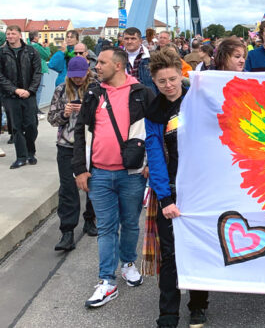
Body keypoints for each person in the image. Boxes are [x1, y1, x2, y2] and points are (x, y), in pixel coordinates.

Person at [73, 47, 154, 307]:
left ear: (118, 66)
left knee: (130, 223)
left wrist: (151, 163)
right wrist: (80, 169)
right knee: (106, 227)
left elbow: (154, 131)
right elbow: (80, 132)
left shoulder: (142, 93)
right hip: (98, 173)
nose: (97, 67)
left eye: (102, 63)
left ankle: (128, 262)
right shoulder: (94, 93)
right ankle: (106, 280)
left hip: (131, 174)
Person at [145, 47, 210, 327]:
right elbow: (155, 155)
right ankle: (168, 314)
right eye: (162, 81)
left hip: (202, 189)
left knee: (198, 249)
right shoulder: (154, 112)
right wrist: (165, 198)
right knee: (170, 255)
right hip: (171, 190)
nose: (169, 86)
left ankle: (198, 305)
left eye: (172, 79)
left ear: (180, 75)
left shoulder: (199, 100)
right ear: (154, 82)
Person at [47, 56, 97, 251]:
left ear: (87, 72)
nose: (78, 79)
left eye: (81, 76)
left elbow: (105, 117)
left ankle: (90, 219)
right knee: (68, 189)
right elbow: (52, 119)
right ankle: (67, 232)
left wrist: (85, 108)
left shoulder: (96, 88)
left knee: (93, 184)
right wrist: (65, 114)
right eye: (74, 76)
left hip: (91, 144)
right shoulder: (60, 90)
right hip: (66, 145)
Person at [0, 25, 42, 169]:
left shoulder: (31, 52)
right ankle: (21, 156)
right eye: (8, 34)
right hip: (10, 96)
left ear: (19, 35)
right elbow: (1, 76)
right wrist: (15, 90)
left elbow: (37, 73)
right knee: (16, 127)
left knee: (31, 125)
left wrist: (30, 90)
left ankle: (31, 152)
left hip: (28, 95)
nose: (9, 36)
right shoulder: (2, 53)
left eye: (12, 33)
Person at [28, 31, 51, 116]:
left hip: (30, 70)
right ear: (34, 37)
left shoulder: (28, 45)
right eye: (38, 36)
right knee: (38, 90)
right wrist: (47, 47)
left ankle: (33, 108)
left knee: (32, 89)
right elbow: (46, 55)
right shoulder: (36, 46)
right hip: (39, 70)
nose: (39, 38)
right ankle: (35, 109)